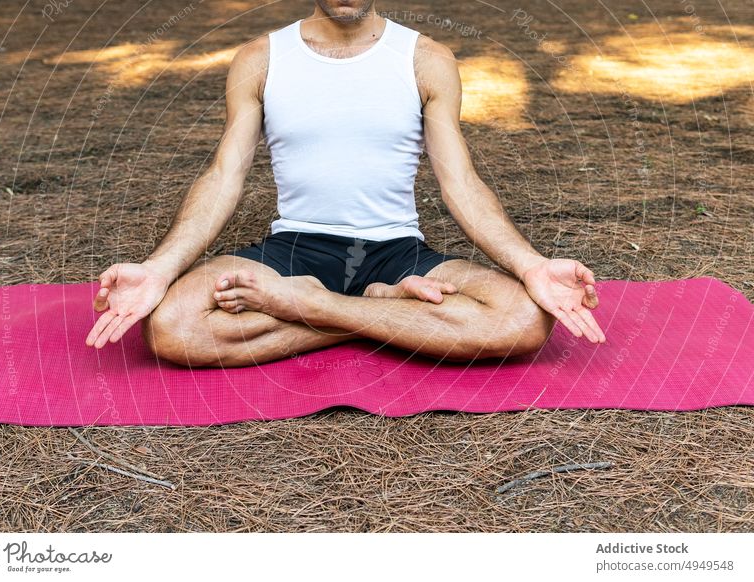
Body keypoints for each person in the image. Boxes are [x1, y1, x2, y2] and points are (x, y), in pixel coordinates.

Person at [85, 0, 605, 367]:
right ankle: (384, 312)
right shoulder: (260, 58)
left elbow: (461, 182)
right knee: (172, 328)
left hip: (396, 252)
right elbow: (225, 175)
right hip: (294, 250)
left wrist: (530, 264)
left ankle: (318, 305)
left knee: (523, 322)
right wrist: (158, 269)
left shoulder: (427, 59)